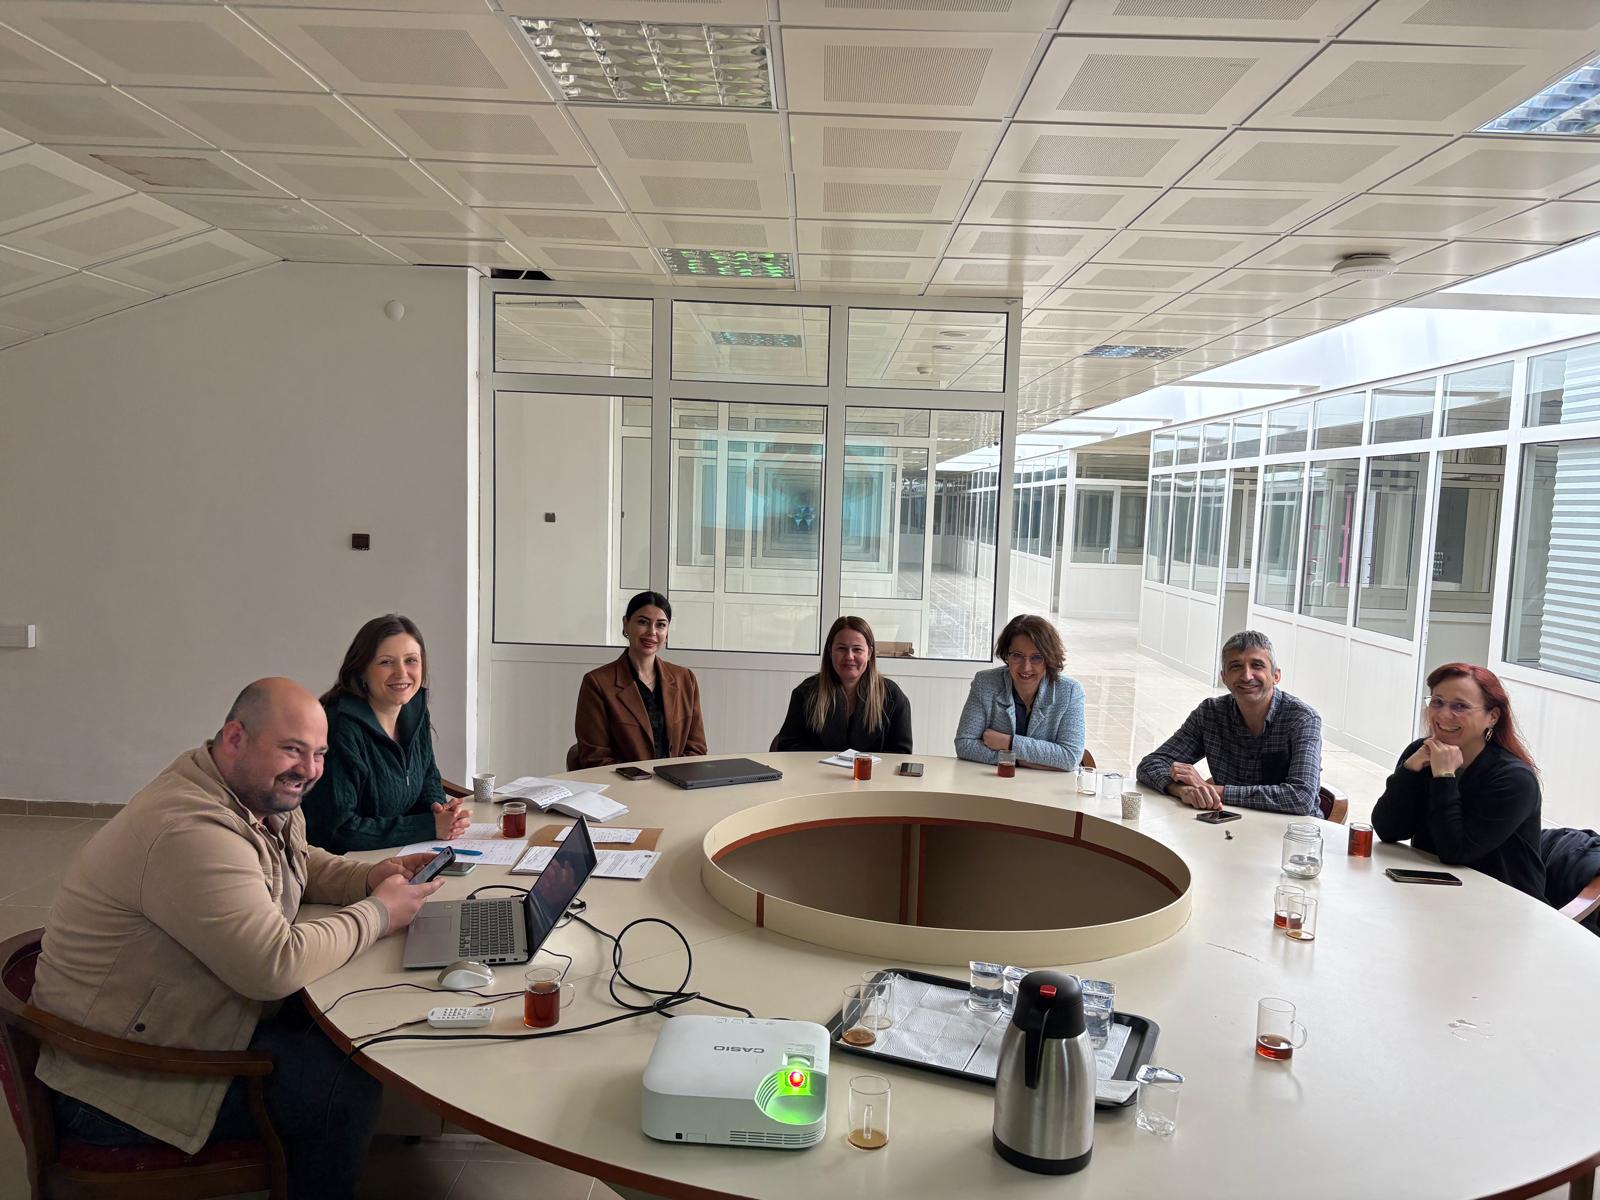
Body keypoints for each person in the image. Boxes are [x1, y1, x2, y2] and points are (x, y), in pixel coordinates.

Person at [30, 678, 444, 1200]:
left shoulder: (253, 790)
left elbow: (300, 861)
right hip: (113, 1081)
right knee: (342, 1084)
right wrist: (379, 913)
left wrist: (367, 878)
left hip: (182, 1021)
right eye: (292, 749)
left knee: (355, 1021)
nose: (310, 770)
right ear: (234, 738)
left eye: (319, 754)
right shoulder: (189, 828)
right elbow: (274, 965)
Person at [1372, 663, 1543, 899]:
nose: (1443, 715)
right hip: (1432, 892)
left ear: (1492, 717)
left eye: (1460, 706)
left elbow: (1455, 851)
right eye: (1437, 702)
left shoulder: (1514, 779)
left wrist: (1444, 777)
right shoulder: (1420, 753)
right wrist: (1409, 771)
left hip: (1502, 903)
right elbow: (1388, 830)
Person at [304, 614, 470, 853]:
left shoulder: (414, 710)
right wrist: (428, 826)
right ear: (362, 671)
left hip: (396, 852)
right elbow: (338, 831)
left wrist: (437, 809)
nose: (401, 673)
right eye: (386, 662)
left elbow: (428, 778)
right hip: (345, 865)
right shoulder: (339, 728)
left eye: (411, 660)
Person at [1136, 630, 1322, 815]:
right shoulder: (1210, 713)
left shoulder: (1303, 719)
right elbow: (1150, 764)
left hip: (1293, 829)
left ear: (1276, 676)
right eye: (1236, 667)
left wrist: (1212, 790)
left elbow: (1301, 798)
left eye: (1257, 666)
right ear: (1224, 677)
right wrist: (1182, 790)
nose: (1247, 676)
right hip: (1227, 823)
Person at [572, 591, 707, 769]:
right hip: (620, 784)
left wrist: (674, 779)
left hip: (675, 782)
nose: (652, 632)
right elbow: (595, 758)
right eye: (643, 622)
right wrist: (644, 781)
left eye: (660, 625)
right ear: (626, 624)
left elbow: (696, 748)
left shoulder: (685, 679)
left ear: (667, 632)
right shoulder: (597, 683)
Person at [955, 614, 1085, 771]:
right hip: (996, 781)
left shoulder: (1070, 691)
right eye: (1017, 656)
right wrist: (1020, 761)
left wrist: (1008, 743)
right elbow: (964, 744)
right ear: (1006, 655)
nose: (1026, 667)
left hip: (1047, 785)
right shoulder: (985, 683)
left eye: (1037, 657)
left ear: (1049, 658)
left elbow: (1070, 757)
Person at [772, 616, 913, 755]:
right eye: (841, 648)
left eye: (857, 649)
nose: (849, 656)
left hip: (872, 771)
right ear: (830, 651)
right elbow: (788, 746)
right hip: (815, 770)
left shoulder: (893, 696)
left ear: (869, 653)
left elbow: (901, 754)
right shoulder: (806, 692)